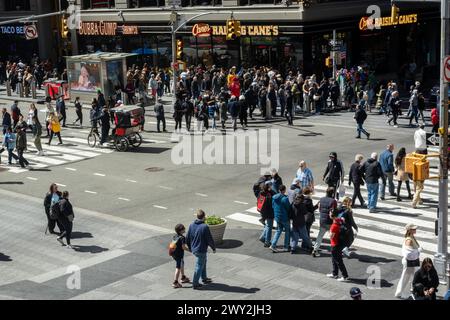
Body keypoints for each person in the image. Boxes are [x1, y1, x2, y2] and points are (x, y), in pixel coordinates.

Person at [186, 209, 216, 290]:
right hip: (201, 249)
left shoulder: (191, 224)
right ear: (203, 217)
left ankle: (204, 278)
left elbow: (187, 237)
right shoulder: (204, 226)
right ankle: (195, 283)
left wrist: (190, 248)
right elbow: (209, 239)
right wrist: (213, 248)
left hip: (194, 248)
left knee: (203, 261)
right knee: (199, 265)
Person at [395, 223, 422, 299]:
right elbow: (408, 254)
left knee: (411, 277)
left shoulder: (411, 237)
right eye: (414, 229)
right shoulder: (409, 240)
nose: (415, 230)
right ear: (410, 230)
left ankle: (405, 292)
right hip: (410, 262)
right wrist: (418, 250)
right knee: (407, 278)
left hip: (412, 261)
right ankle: (402, 293)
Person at [312, 187, 337, 257]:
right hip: (330, 222)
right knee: (332, 237)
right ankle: (334, 250)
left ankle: (315, 249)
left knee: (320, 236)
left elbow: (318, 208)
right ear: (332, 193)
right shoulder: (333, 201)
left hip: (322, 221)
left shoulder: (321, 199)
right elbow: (334, 212)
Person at [326, 210, 349, 282]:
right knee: (334, 259)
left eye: (329, 213)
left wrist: (329, 232)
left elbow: (331, 236)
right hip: (340, 243)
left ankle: (345, 276)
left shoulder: (334, 226)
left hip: (335, 245)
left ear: (332, 216)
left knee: (338, 261)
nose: (329, 214)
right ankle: (334, 273)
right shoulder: (340, 220)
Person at [270, 185, 291, 253]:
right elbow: (288, 208)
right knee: (287, 231)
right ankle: (286, 246)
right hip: (284, 217)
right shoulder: (285, 198)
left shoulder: (274, 197)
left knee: (278, 230)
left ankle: (273, 244)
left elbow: (273, 206)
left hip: (277, 217)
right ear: (284, 190)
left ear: (279, 190)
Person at [171, 224, 191, 288]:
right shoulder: (182, 238)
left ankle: (183, 277)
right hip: (179, 255)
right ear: (181, 231)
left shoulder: (175, 236)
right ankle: (175, 282)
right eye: (183, 229)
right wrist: (190, 250)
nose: (184, 229)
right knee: (178, 267)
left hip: (174, 254)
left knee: (182, 264)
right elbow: (183, 247)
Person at [258, 182, 275, 247]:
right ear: (268, 187)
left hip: (263, 212)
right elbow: (272, 200)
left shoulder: (261, 193)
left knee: (267, 225)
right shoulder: (269, 194)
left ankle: (262, 237)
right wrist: (271, 191)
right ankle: (267, 242)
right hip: (269, 213)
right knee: (269, 227)